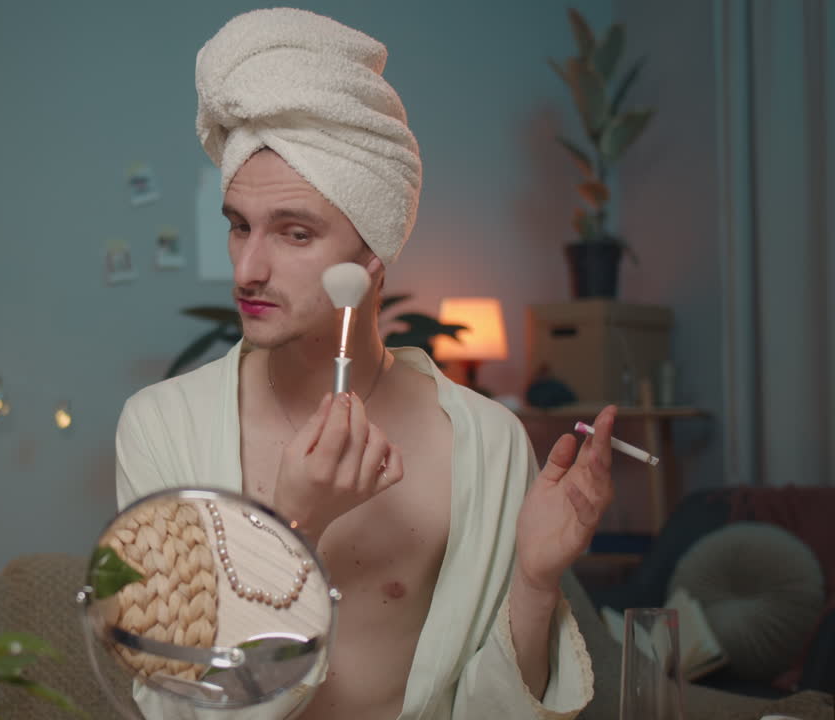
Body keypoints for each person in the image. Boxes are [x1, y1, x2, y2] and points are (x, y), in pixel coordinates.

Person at [115, 8, 617, 719]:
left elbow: (493, 709)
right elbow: (179, 707)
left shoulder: (484, 443)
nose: (248, 270)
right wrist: (292, 532)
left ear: (374, 255)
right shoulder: (162, 428)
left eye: (294, 233)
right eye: (239, 226)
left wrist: (535, 582)